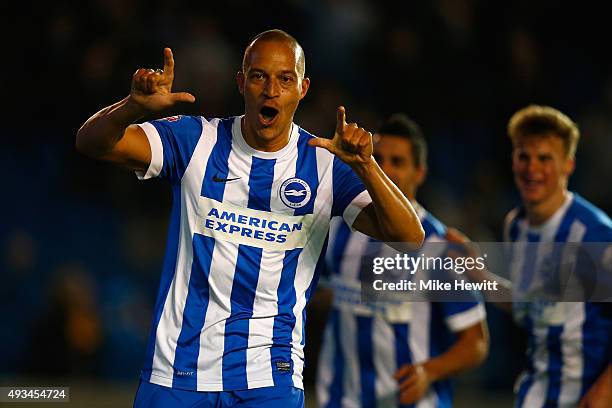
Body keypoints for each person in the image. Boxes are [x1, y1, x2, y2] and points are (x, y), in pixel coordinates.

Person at [75, 29, 424, 408]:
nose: (271, 89)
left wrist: (367, 166)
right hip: (177, 370)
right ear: (242, 83)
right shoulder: (197, 141)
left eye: (285, 79)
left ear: (302, 88)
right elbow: (91, 143)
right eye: (259, 76)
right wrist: (132, 106)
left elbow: (410, 237)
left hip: (269, 377)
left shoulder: (325, 166)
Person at [316, 114, 489, 408]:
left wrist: (428, 371)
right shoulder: (339, 228)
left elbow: (476, 342)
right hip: (341, 398)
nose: (385, 169)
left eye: (397, 162)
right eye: (379, 159)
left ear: (419, 173)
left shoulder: (437, 246)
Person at [448, 105, 612, 407]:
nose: (532, 168)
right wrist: (477, 275)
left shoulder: (593, 234)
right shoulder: (517, 225)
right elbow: (530, 304)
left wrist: (605, 392)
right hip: (532, 396)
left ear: (568, 165)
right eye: (524, 156)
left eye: (545, 158)